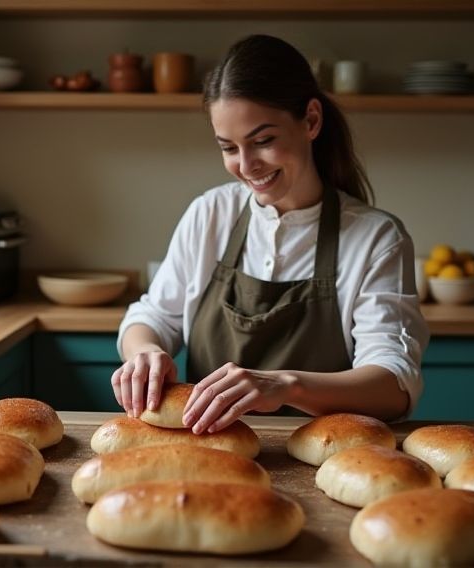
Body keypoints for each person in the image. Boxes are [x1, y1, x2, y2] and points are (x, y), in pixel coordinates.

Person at [112, 34, 429, 435]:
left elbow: (393, 384)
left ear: (311, 120)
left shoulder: (376, 237)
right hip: (207, 447)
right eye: (228, 147)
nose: (246, 166)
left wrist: (285, 386)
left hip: (323, 455)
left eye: (263, 141)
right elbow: (154, 315)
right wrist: (145, 352)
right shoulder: (210, 213)